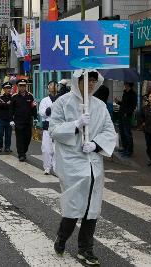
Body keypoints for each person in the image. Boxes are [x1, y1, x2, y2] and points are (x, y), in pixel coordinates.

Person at [49, 70, 116, 265]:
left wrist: (96, 144)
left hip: (93, 162)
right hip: (71, 163)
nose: (91, 84)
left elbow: (109, 131)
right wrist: (76, 125)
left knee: (92, 209)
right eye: (87, 80)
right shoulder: (63, 102)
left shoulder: (100, 106)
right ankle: (62, 238)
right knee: (73, 206)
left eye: (94, 81)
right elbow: (54, 130)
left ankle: (85, 249)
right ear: (77, 81)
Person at [10, 79, 38, 162]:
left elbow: (33, 107)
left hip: (28, 120)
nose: (22, 87)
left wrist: (35, 117)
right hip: (18, 121)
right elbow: (11, 110)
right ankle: (21, 154)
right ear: (18, 86)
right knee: (20, 138)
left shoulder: (30, 96)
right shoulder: (14, 97)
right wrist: (11, 119)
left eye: (24, 86)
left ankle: (24, 151)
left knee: (27, 138)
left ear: (26, 86)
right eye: (20, 86)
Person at [39, 80, 59, 175]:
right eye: (51, 85)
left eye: (55, 85)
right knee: (46, 148)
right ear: (48, 88)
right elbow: (42, 113)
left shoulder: (61, 99)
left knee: (56, 149)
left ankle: (56, 168)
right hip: (48, 126)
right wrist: (51, 107)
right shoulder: (44, 100)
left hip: (58, 126)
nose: (53, 87)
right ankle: (47, 167)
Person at [114, 82, 137, 158]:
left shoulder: (133, 94)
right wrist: (118, 102)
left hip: (126, 116)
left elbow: (133, 106)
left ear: (129, 85)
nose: (124, 85)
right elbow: (123, 104)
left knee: (127, 133)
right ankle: (124, 148)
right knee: (122, 132)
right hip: (121, 114)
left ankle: (129, 151)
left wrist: (126, 113)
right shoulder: (125, 92)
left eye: (126, 84)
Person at [0, 82, 13, 153]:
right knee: (0, 133)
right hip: (1, 119)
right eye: (6, 88)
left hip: (9, 119)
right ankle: (0, 146)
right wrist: (6, 104)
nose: (8, 90)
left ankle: (7, 147)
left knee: (8, 134)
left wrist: (5, 104)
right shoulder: (0, 97)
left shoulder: (13, 97)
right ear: (4, 89)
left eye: (9, 88)